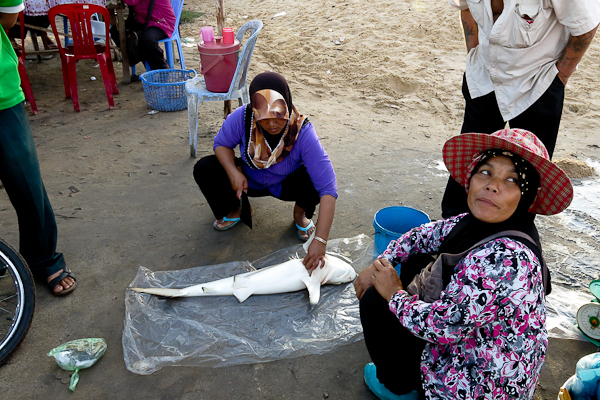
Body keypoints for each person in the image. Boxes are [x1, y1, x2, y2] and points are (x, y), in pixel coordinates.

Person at [355, 129, 573, 399]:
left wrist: (393, 293)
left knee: (375, 302)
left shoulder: (505, 259)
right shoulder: (474, 222)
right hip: (474, 340)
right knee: (416, 257)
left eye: (512, 180)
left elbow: (442, 327)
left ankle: (400, 386)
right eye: (486, 172)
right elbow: (422, 235)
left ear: (525, 197)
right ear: (470, 180)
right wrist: (383, 262)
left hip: (478, 383)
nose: (493, 185)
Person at [441, 0, 600, 218]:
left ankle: (513, 236)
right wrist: (474, 52)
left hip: (538, 82)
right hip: (484, 76)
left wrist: (560, 76)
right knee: (472, 158)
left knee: (529, 172)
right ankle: (454, 226)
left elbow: (586, 26)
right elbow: (465, 7)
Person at [193, 71, 338, 272]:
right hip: (248, 180)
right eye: (264, 117)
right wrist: (234, 173)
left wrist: (321, 240)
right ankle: (237, 208)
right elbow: (221, 144)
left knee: (314, 180)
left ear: (287, 105)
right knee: (205, 168)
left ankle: (300, 215)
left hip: (286, 184)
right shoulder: (242, 118)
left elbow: (328, 188)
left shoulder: (302, 131)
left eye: (278, 117)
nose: (271, 124)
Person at [0, 0, 77, 295]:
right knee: (26, 184)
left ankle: (43, 260)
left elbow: (9, 15)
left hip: (2, 98)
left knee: (26, 183)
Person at [123, 0, 175, 71]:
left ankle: (162, 68)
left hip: (161, 22)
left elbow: (131, 1)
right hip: (145, 21)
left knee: (148, 39)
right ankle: (141, 58)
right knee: (119, 32)